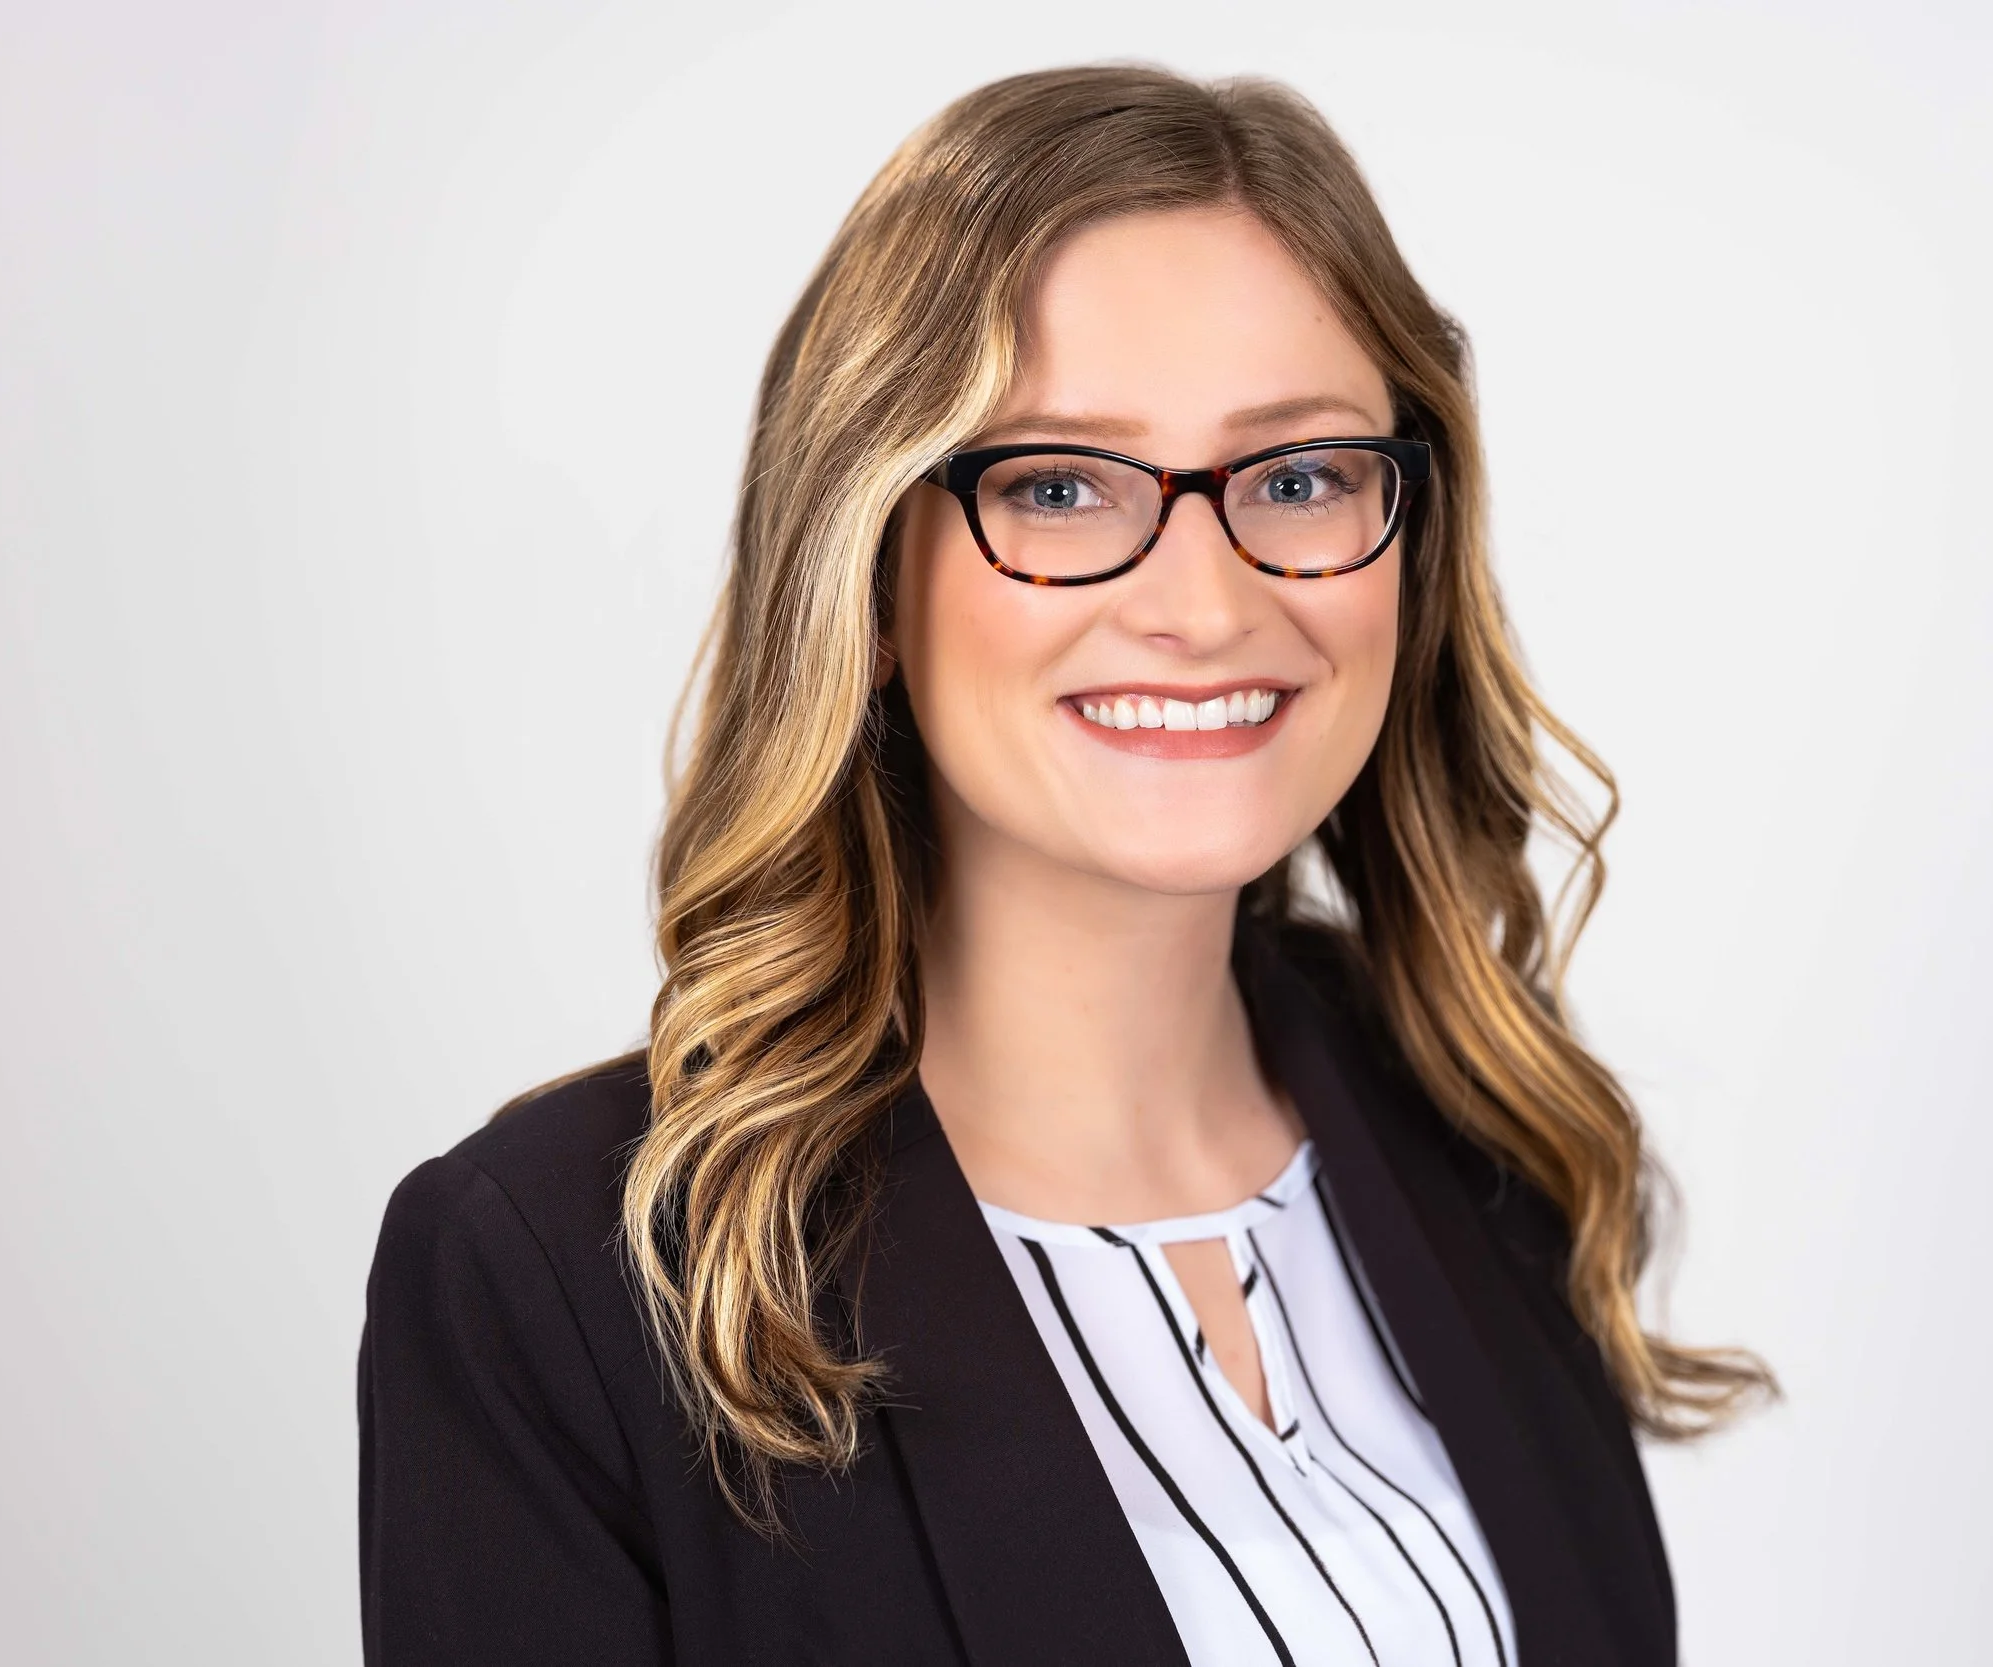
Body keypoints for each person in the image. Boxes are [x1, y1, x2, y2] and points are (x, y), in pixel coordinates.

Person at [357, 63, 1772, 1667]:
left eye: (1298, 477)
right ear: (871, 577)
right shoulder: (562, 1279)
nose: (1205, 601)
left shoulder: (1486, 1134)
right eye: (1056, 485)